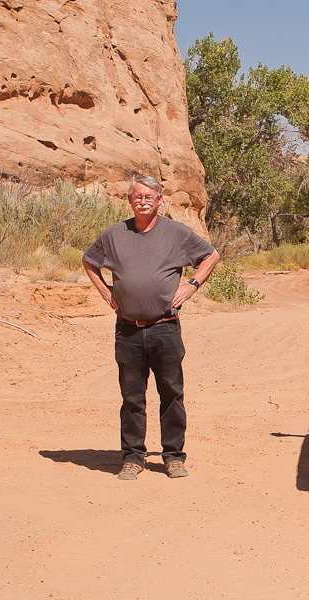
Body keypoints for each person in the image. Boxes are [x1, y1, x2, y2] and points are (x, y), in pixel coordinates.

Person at [83, 175, 220, 480]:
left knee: (171, 393)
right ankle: (133, 457)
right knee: (132, 397)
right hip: (128, 330)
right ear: (129, 200)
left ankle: (173, 456)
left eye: (149, 196)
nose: (142, 200)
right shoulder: (114, 234)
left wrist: (192, 285)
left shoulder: (176, 233)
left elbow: (211, 255)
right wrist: (105, 291)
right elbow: (89, 261)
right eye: (137, 196)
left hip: (165, 328)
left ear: (159, 201)